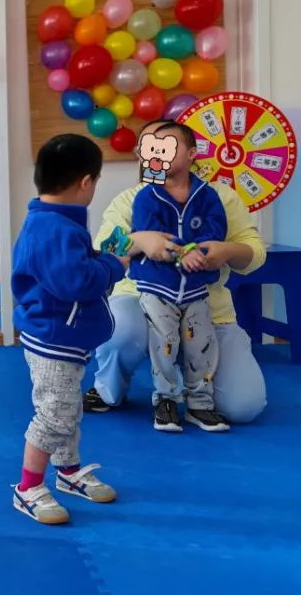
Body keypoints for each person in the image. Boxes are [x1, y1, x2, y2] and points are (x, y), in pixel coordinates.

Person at [84, 120, 268, 424]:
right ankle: (109, 390)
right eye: (148, 147)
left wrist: (226, 251)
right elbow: (103, 248)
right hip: (141, 300)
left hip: (209, 308)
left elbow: (254, 251)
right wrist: (140, 240)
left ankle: (195, 391)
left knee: (243, 407)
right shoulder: (131, 199)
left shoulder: (220, 196)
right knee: (121, 330)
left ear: (192, 153)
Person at [11, 134, 129, 525]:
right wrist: (115, 265)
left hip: (64, 334)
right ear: (85, 182)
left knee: (68, 406)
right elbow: (75, 282)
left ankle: (67, 471)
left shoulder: (59, 222)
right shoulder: (52, 229)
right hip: (53, 337)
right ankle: (27, 488)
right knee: (55, 413)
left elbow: (74, 268)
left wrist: (101, 257)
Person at [128, 121, 230, 433]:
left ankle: (200, 404)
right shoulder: (147, 196)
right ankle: (165, 400)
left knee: (200, 344)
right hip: (158, 287)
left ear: (191, 153)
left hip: (197, 290)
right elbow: (151, 236)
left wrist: (201, 251)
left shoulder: (207, 195)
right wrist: (182, 252)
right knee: (165, 343)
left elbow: (216, 231)